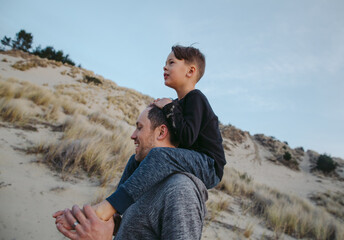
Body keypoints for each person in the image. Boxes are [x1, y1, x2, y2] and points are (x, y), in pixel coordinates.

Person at [56, 44, 226, 222]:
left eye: (171, 62)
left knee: (160, 155)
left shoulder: (195, 98)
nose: (165, 67)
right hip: (191, 159)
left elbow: (188, 137)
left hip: (209, 165)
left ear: (190, 71)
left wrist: (169, 107)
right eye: (165, 63)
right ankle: (114, 211)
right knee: (134, 160)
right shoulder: (179, 103)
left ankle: (107, 209)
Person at [55, 105, 208, 240]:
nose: (132, 135)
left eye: (140, 127)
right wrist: (98, 224)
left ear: (161, 132)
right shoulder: (143, 180)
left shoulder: (180, 190)